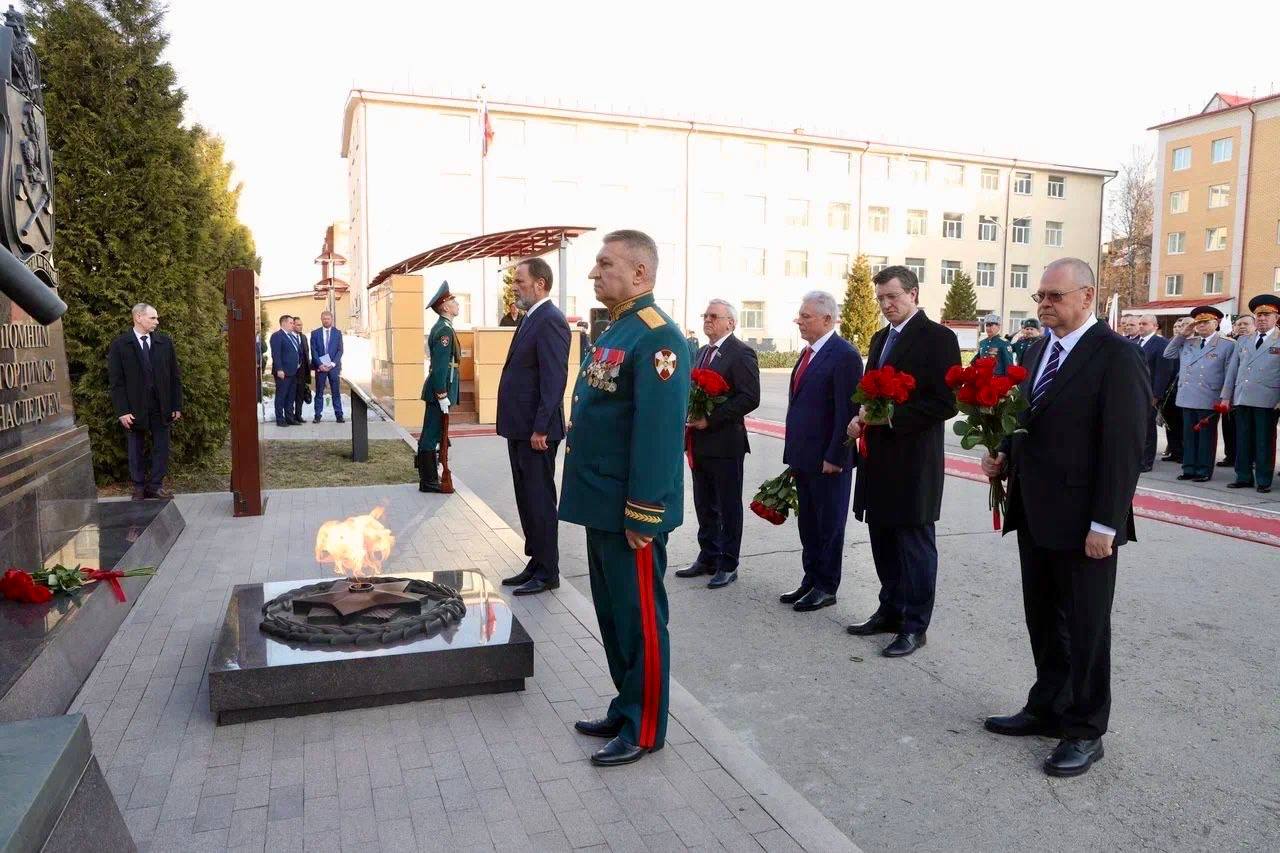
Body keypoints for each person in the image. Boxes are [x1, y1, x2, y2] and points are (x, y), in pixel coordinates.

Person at [980, 258, 1148, 778]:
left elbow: (1126, 448)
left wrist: (1106, 525)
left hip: (1085, 523)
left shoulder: (1115, 356)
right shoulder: (1036, 349)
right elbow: (1029, 416)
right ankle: (1047, 706)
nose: (1045, 304)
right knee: (1044, 619)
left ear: (1087, 295)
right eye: (1040, 297)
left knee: (1086, 628)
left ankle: (1085, 730)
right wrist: (1004, 452)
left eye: (1055, 295)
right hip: (1034, 511)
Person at [558, 230, 689, 767]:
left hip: (629, 510)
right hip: (601, 502)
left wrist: (646, 512)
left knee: (640, 619)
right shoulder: (620, 331)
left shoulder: (658, 338)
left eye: (605, 264)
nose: (593, 273)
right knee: (613, 614)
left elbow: (658, 434)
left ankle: (646, 726)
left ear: (640, 273)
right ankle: (626, 702)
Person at [845, 266, 960, 657]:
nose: (886, 305)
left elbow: (945, 403)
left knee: (913, 545)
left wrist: (891, 417)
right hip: (878, 460)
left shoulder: (938, 339)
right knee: (882, 539)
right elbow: (868, 390)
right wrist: (860, 416)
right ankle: (889, 609)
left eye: (892, 296)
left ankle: (915, 624)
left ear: (913, 294)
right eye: (880, 299)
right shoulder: (880, 338)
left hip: (913, 462)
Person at [779, 291, 862, 613]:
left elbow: (847, 412)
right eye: (800, 315)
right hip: (804, 457)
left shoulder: (844, 356)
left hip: (829, 460)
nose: (799, 320)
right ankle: (810, 579)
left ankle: (826, 586)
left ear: (828, 319)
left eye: (806, 316)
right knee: (809, 524)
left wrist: (836, 456)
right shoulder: (808, 353)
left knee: (829, 525)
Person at [496, 257, 570, 596]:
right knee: (526, 498)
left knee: (540, 499)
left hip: (536, 432)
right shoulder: (531, 317)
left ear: (540, 283)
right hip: (521, 428)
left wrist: (541, 427)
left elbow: (554, 379)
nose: (516, 287)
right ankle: (535, 560)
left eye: (520, 281)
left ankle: (548, 570)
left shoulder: (551, 320)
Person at [677, 299, 761, 589]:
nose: (708, 320)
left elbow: (750, 397)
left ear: (731, 323)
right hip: (699, 443)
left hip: (725, 443)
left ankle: (728, 562)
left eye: (714, 316)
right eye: (706, 315)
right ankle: (708, 555)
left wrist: (710, 419)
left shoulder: (741, 353)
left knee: (727, 505)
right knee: (704, 503)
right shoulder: (702, 352)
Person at [107, 303, 184, 501]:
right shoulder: (120, 345)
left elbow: (175, 376)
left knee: (161, 447)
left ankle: (156, 485)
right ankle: (139, 487)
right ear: (138, 318)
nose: (157, 322)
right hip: (134, 407)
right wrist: (122, 411)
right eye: (153, 318)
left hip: (162, 406)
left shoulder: (164, 343)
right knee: (135, 448)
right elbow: (116, 382)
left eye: (156, 318)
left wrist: (176, 405)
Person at [1163, 307, 1234, 482]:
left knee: (1205, 438)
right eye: (1198, 322)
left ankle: (1203, 470)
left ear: (1215, 323)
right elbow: (1168, 353)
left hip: (1209, 396)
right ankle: (1188, 468)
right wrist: (1182, 334)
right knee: (1188, 435)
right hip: (1187, 396)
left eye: (1205, 322)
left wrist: (1226, 397)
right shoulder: (1188, 341)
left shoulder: (1227, 344)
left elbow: (1229, 373)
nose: (1201, 326)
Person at [1220, 295, 1280, 493]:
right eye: (1259, 315)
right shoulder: (1244, 340)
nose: (1262, 319)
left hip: (1267, 399)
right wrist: (1226, 396)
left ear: (1276, 318)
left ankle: (1263, 479)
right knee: (1243, 439)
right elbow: (1233, 371)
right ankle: (1243, 476)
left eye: (1267, 315)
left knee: (1264, 442)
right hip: (1243, 397)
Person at [416, 283, 461, 492]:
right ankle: (429, 482)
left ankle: (429, 478)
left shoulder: (446, 327)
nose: (457, 303)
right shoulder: (444, 330)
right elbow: (441, 367)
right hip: (438, 392)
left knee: (435, 434)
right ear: (444, 307)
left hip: (439, 391)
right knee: (431, 435)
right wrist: (442, 395)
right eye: (453, 301)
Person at [1133, 314, 1176, 472]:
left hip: (1149, 393)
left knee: (1148, 429)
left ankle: (1146, 461)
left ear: (1155, 326)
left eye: (1144, 323)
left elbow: (1163, 372)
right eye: (1140, 323)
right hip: (1134, 392)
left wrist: (1156, 395)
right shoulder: (1136, 341)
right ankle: (1136, 458)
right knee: (1136, 427)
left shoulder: (1161, 343)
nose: (1141, 326)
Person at [1160, 316, 1193, 463]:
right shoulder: (1174, 343)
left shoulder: (1196, 342)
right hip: (1171, 388)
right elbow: (1167, 356)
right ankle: (1175, 451)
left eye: (1185, 325)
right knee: (1170, 422)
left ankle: (1185, 452)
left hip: (1188, 388)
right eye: (1177, 326)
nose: (1180, 328)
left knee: (1184, 423)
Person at [310, 310, 344, 423]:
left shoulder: (337, 333)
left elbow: (340, 350)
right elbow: (313, 351)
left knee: (336, 392)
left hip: (333, 367)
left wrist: (333, 364)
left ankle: (339, 415)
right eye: (324, 318)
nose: (326, 320)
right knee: (319, 392)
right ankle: (317, 415)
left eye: (328, 318)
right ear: (321, 319)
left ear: (331, 319)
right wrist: (320, 364)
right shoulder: (315, 333)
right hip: (321, 367)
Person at [268, 314, 300, 427]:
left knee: (291, 396)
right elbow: (276, 354)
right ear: (284, 323)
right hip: (283, 372)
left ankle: (289, 418)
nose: (293, 325)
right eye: (291, 323)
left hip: (293, 372)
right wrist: (279, 369)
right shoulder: (277, 336)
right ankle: (280, 419)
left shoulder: (291, 336)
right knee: (281, 396)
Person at [291, 317, 312, 425]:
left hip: (303, 372)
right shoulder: (289, 337)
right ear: (293, 325)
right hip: (292, 372)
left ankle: (298, 415)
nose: (300, 327)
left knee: (300, 395)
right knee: (291, 395)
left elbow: (306, 353)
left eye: (301, 325)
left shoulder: (303, 337)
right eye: (298, 325)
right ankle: (290, 417)